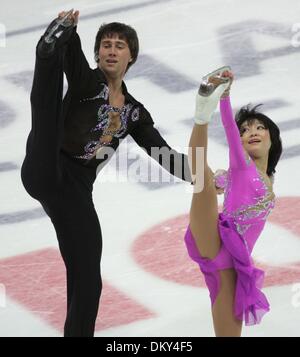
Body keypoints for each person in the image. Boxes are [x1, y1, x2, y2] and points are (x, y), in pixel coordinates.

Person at [20, 9, 191, 337]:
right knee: (46, 111)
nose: (112, 50)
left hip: (76, 188)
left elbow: (163, 153)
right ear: (97, 53)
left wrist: (202, 177)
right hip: (47, 165)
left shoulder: (134, 112)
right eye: (106, 45)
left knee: (88, 279)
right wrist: (69, 35)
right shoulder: (86, 81)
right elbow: (74, 59)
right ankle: (46, 50)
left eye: (119, 46)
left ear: (132, 56)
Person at [184, 67, 282, 337]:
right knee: (201, 178)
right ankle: (202, 109)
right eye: (246, 129)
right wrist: (224, 96)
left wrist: (222, 181)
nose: (252, 132)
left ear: (272, 140)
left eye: (260, 128)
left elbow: (231, 186)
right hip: (217, 236)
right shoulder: (242, 164)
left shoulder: (266, 176)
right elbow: (228, 127)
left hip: (234, 266)